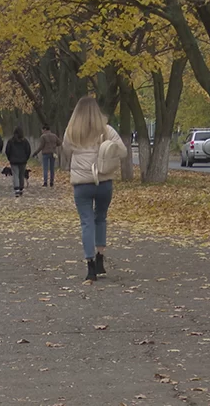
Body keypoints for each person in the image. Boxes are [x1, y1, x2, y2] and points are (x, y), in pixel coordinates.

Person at [63, 96, 127, 282]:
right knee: (101, 218)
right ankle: (100, 258)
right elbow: (122, 152)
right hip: (104, 181)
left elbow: (66, 151)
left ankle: (90, 265)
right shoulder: (106, 130)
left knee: (86, 222)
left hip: (82, 184)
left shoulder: (72, 131)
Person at [5, 126, 32, 197]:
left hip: (13, 160)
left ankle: (16, 188)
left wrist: (9, 158)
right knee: (21, 174)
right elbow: (28, 150)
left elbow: (7, 150)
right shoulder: (25, 141)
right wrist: (26, 158)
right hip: (23, 160)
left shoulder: (11, 141)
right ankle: (21, 188)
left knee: (15, 174)